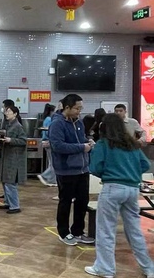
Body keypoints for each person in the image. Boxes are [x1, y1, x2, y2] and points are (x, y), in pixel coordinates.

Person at [85, 113, 154, 278]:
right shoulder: (131, 144)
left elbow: (95, 168)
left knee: (106, 230)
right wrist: (131, 173)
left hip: (112, 188)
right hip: (132, 190)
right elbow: (145, 164)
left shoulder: (103, 144)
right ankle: (149, 269)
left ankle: (105, 269)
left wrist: (109, 173)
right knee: (135, 231)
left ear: (104, 127)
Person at [49, 94, 94, 246]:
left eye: (80, 109)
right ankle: (63, 232)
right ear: (67, 107)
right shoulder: (57, 124)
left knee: (82, 201)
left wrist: (88, 142)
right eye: (76, 109)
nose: (79, 112)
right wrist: (81, 147)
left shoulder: (79, 122)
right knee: (65, 202)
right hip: (66, 170)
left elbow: (81, 140)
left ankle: (78, 231)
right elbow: (58, 146)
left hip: (83, 169)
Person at [0, 106, 27, 214]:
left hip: (14, 158)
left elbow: (23, 141)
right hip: (7, 156)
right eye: (6, 111)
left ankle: (15, 206)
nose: (6, 113)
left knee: (10, 182)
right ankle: (8, 202)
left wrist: (11, 140)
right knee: (5, 180)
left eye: (9, 111)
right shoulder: (8, 125)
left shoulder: (18, 126)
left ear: (15, 114)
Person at [38, 104, 57, 187]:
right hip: (48, 142)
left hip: (45, 141)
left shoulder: (45, 119)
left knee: (51, 162)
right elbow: (49, 131)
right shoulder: (49, 119)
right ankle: (45, 176)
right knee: (53, 163)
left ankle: (52, 180)